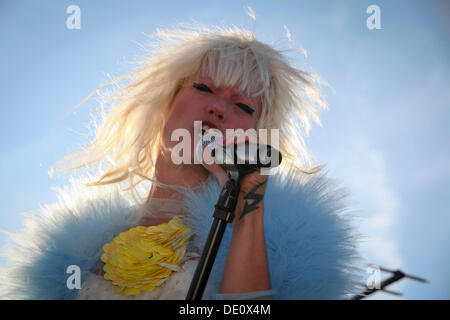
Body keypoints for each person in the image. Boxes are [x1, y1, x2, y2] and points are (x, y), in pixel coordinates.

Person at [0, 24, 364, 300]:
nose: (217, 109)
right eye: (204, 88)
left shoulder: (286, 247)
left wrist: (246, 213)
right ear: (167, 104)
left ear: (257, 135)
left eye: (243, 107)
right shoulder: (67, 258)